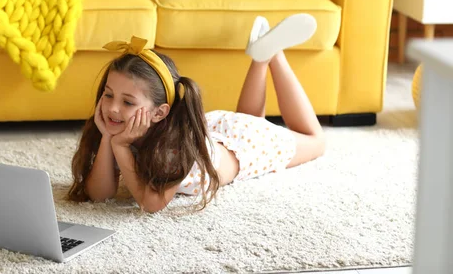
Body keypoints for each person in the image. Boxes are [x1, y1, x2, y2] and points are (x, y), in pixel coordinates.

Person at [67, 14, 326, 213]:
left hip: (247, 145)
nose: (112, 108)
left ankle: (274, 55)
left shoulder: (171, 148)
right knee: (250, 118)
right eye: (109, 94)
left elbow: (151, 204)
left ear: (159, 113)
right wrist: (107, 139)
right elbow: (100, 196)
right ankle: (261, 56)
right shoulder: (124, 128)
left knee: (315, 141)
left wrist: (120, 145)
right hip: (219, 131)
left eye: (128, 102)